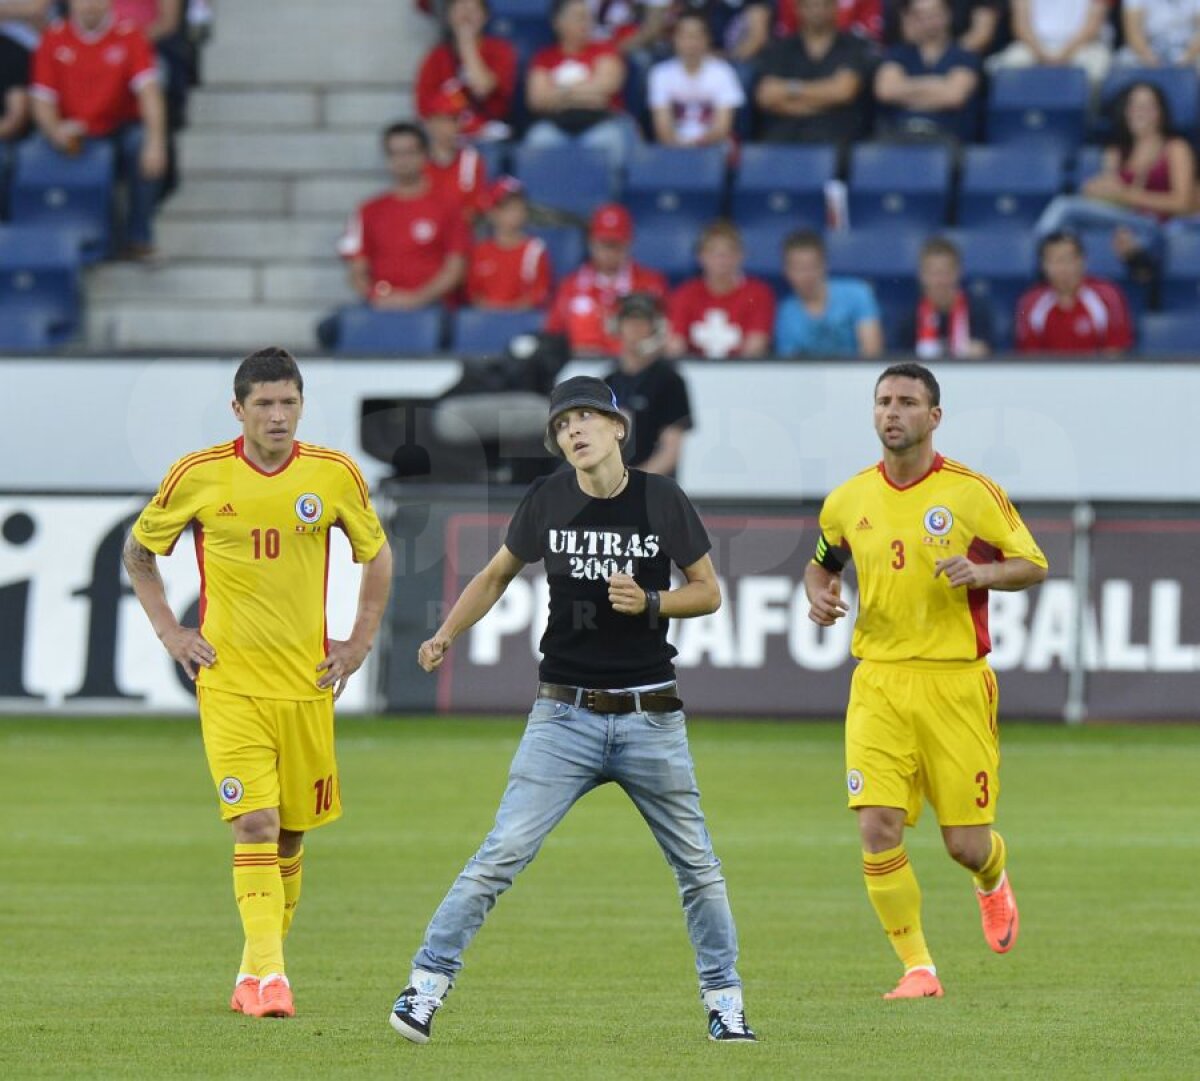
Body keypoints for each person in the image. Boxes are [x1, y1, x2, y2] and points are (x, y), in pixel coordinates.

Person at [389, 374, 754, 1045]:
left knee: (698, 867)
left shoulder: (662, 499)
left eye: (585, 417)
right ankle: (425, 984)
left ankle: (725, 1002)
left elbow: (708, 592)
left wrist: (651, 602)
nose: (573, 430)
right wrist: (445, 634)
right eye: (561, 425)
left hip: (650, 715)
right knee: (501, 852)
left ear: (618, 428)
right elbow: (496, 574)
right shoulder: (548, 498)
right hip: (563, 716)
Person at [123, 347, 393, 1019]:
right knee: (255, 823)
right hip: (230, 684)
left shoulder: (333, 475)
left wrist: (359, 640)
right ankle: (274, 979)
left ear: (301, 405)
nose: (277, 415)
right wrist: (171, 633)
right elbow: (138, 553)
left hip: (306, 686)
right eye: (264, 403)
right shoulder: (198, 474)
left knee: (292, 835)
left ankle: (251, 972)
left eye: (288, 402)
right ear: (237, 409)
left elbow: (377, 553)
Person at [805, 361, 1048, 1001]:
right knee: (876, 826)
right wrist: (819, 595)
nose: (893, 412)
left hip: (955, 684)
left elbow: (1032, 563)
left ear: (934, 416)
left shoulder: (972, 493)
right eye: (883, 401)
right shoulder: (848, 499)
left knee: (964, 845)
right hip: (879, 683)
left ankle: (992, 877)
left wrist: (983, 573)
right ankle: (918, 967)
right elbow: (822, 563)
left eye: (907, 402)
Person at [30, 0, 168, 258]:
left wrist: (156, 142)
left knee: (142, 144)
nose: (89, 5)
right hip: (71, 130)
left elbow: (149, 92)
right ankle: (38, 242)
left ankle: (139, 238)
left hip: (116, 128)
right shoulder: (53, 37)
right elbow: (42, 99)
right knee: (24, 155)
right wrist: (55, 130)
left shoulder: (130, 35)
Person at [1034, 81, 1195, 270]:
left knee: (1064, 207)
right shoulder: (1116, 153)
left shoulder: (1176, 148)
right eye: (1134, 106)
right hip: (1123, 221)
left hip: (1157, 227)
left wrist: (1126, 195)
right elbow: (1110, 196)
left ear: (1161, 112)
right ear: (1126, 112)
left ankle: (1040, 263)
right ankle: (1054, 268)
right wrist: (1095, 191)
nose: (1140, 113)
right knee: (1069, 221)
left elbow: (1183, 203)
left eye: (1147, 106)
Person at [335, 121, 469, 314]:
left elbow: (456, 268)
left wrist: (417, 299)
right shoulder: (367, 210)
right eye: (394, 153)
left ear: (424, 155)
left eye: (409, 152)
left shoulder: (448, 207)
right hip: (381, 305)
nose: (402, 160)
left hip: (433, 307)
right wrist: (377, 297)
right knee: (331, 325)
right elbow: (356, 270)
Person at [523, 0, 639, 174]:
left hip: (600, 124)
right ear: (558, 22)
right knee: (537, 139)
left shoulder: (605, 51)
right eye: (579, 17)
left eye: (588, 17)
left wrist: (559, 93)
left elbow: (606, 90)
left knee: (610, 141)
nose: (586, 23)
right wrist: (585, 93)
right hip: (557, 125)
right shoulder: (545, 57)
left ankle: (611, 191)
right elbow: (537, 100)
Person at [544, 203, 668, 355]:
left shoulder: (651, 284)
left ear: (629, 244)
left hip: (635, 365)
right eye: (604, 244)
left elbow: (665, 335)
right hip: (580, 365)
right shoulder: (570, 286)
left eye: (616, 245)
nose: (609, 252)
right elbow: (553, 333)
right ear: (590, 243)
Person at [754, 0, 871, 145]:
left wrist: (789, 88)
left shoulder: (854, 47)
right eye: (810, 5)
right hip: (784, 138)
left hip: (839, 139)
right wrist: (826, 98)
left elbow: (843, 91)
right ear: (797, 9)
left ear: (835, 7)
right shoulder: (780, 50)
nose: (817, 11)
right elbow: (766, 96)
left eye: (824, 5)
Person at [605, 292, 693, 475]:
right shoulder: (607, 382)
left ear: (655, 328)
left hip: (655, 486)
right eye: (629, 322)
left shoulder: (670, 382)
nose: (635, 329)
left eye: (642, 323)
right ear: (617, 326)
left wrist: (633, 482)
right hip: (613, 486)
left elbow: (670, 452)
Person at [874, 0, 981, 142]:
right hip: (897, 137)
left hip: (950, 141)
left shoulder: (964, 56)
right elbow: (886, 91)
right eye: (920, 15)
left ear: (947, 15)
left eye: (933, 14)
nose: (928, 21)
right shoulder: (897, 54)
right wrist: (939, 86)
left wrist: (905, 91)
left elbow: (954, 95)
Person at [666, 219, 775, 358]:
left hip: (743, 369)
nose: (721, 258)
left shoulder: (758, 293)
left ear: (742, 255)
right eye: (713, 251)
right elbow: (675, 344)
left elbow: (756, 345)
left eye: (729, 251)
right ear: (700, 256)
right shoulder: (685, 294)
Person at [1015, 230, 1133, 354]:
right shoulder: (1029, 303)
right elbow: (1030, 358)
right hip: (1046, 367)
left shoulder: (1109, 297)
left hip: (1096, 367)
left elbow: (1115, 354)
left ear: (1083, 261)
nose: (1063, 267)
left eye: (1069, 259)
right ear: (1043, 266)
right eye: (1055, 260)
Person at [415, 0, 518, 142]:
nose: (466, 15)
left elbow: (482, 88)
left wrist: (467, 43)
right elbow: (424, 108)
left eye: (473, 9)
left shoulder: (500, 50)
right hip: (446, 135)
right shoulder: (436, 56)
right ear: (448, 16)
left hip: (487, 133)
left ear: (485, 16)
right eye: (460, 9)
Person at [774, 228, 884, 357]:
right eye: (798, 268)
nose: (806, 275)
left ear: (825, 265)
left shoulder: (858, 293)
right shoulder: (786, 313)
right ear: (786, 271)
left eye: (812, 266)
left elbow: (872, 351)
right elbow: (789, 363)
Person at [648, 12, 745, 150]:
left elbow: (722, 127)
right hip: (673, 149)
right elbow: (663, 128)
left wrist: (697, 144)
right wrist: (681, 146)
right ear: (675, 39)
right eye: (685, 36)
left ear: (707, 39)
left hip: (712, 148)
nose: (691, 43)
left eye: (697, 36)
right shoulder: (660, 74)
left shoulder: (723, 72)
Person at [896, 236, 994, 358]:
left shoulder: (978, 310)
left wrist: (982, 352)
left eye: (946, 273)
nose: (940, 281)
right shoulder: (910, 316)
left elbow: (993, 357)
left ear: (959, 273)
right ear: (922, 276)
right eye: (934, 273)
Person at [465, 176, 553, 310]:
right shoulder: (480, 251)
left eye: (519, 207)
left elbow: (539, 294)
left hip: (522, 319)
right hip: (486, 318)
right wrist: (493, 312)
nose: (515, 213)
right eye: (508, 208)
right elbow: (473, 293)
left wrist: (508, 314)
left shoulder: (535, 250)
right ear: (492, 213)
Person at [986, 0, 1113, 88]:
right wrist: (1042, 54)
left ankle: (1089, 118)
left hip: (1083, 45)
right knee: (1008, 67)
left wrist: (1063, 55)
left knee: (1097, 72)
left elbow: (1092, 26)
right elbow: (1021, 25)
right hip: (1033, 45)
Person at [423, 91, 489, 220]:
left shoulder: (471, 161)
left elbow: (477, 207)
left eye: (453, 120)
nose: (447, 127)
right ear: (430, 123)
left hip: (461, 228)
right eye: (442, 120)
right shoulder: (419, 162)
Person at [1116, 0, 1200, 68]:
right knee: (1125, 60)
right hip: (1148, 48)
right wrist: (1151, 59)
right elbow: (1133, 33)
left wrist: (1186, 57)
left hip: (1186, 49)